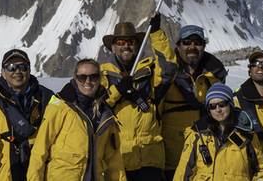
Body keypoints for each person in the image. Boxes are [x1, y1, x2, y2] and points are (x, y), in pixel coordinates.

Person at [149, 19, 228, 179]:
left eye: (197, 43)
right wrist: (156, 33)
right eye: (187, 42)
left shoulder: (215, 75)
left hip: (205, 161)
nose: (192, 47)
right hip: (171, 160)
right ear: (177, 46)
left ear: (204, 47)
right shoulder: (165, 74)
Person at [27, 59, 126, 181]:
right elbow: (39, 151)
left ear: (100, 79)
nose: (88, 82)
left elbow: (114, 162)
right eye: (82, 77)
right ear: (75, 78)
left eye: (93, 77)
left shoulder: (105, 114)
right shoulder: (60, 106)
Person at [100, 17, 174, 181]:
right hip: (117, 159)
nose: (126, 45)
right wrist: (118, 90)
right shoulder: (101, 75)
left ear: (137, 45)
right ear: (113, 47)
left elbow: (169, 69)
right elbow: (98, 107)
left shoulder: (149, 70)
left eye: (130, 41)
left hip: (150, 159)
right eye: (120, 41)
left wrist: (156, 34)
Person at [173, 83, 263, 181]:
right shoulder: (197, 134)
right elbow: (183, 172)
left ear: (230, 105)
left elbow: (261, 170)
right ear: (208, 110)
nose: (218, 110)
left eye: (222, 104)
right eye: (212, 106)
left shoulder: (246, 134)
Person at [0, 49, 55, 181]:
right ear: (2, 73)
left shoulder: (48, 99)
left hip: (40, 174)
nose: (17, 71)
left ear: (29, 70)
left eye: (23, 67)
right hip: (4, 175)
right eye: (11, 67)